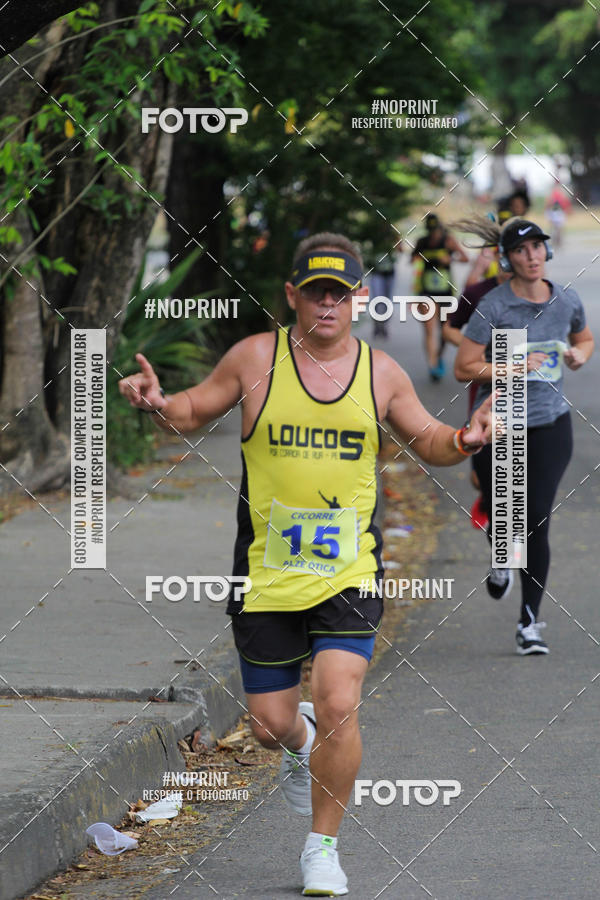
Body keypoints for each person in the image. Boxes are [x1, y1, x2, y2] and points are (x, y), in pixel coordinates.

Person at [119, 232, 494, 897]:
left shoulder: (379, 372)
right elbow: (193, 408)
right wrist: (157, 401)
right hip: (266, 572)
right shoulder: (256, 359)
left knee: (340, 698)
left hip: (349, 570)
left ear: (359, 297)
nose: (328, 303)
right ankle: (298, 742)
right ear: (293, 295)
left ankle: (323, 849)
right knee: (267, 723)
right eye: (315, 291)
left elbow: (430, 439)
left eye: (340, 292)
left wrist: (464, 439)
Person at [454, 216, 594, 655]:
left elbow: (585, 339)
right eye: (521, 250)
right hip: (498, 423)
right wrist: (508, 369)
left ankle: (529, 623)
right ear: (508, 259)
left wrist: (577, 357)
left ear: (546, 252)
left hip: (552, 424)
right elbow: (464, 367)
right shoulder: (493, 307)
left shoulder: (566, 298)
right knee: (503, 510)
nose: (531, 256)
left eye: (537, 247)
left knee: (535, 519)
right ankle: (501, 554)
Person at [412, 213, 468, 381]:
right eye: (431, 230)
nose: (434, 234)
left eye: (436, 230)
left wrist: (451, 258)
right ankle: (433, 365)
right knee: (429, 329)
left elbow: (465, 258)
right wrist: (422, 259)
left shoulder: (449, 240)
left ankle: (438, 356)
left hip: (446, 291)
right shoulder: (422, 242)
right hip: (426, 290)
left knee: (445, 331)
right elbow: (413, 260)